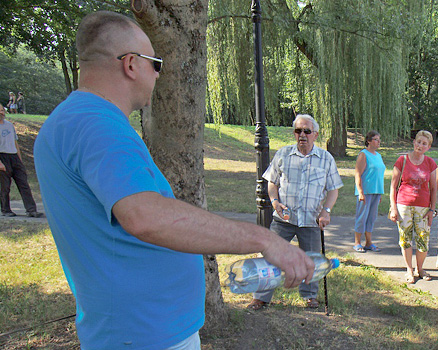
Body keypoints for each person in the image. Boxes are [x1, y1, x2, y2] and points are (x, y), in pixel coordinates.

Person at [33, 11, 314, 349]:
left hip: (131, 328)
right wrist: (265, 239)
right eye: (157, 64)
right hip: (145, 332)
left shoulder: (68, 121)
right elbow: (146, 216)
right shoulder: (98, 125)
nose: (157, 75)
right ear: (132, 65)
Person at [253, 113, 343, 310]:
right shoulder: (283, 154)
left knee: (311, 260)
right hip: (283, 219)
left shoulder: (326, 159)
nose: (302, 135)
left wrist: (326, 211)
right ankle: (261, 297)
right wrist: (275, 202)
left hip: (311, 220)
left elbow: (333, 188)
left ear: (315, 135)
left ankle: (310, 296)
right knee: (271, 256)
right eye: (298, 130)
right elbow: (272, 183)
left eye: (307, 131)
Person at [389, 130, 437, 283]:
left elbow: (434, 188)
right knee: (405, 239)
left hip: (423, 208)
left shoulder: (430, 163)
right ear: (414, 142)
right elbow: (393, 186)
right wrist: (393, 207)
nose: (420, 145)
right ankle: (409, 269)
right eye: (418, 142)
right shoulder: (402, 160)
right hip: (404, 205)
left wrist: (431, 209)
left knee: (423, 241)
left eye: (424, 143)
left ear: (428, 147)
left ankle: (420, 268)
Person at [0, 107, 42, 217]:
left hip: (13, 156)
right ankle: (6, 210)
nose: (2, 112)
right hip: (2, 156)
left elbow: (15, 142)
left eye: (2, 110)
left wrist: (19, 159)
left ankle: (31, 210)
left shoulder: (9, 125)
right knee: (5, 186)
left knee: (24, 184)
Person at [353, 130, 385, 253]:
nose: (379, 142)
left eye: (379, 139)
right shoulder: (363, 154)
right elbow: (358, 174)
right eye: (376, 139)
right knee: (362, 216)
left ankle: (368, 242)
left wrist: (380, 193)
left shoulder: (378, 155)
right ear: (369, 141)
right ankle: (357, 242)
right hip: (365, 191)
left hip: (376, 191)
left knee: (371, 217)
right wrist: (360, 191)